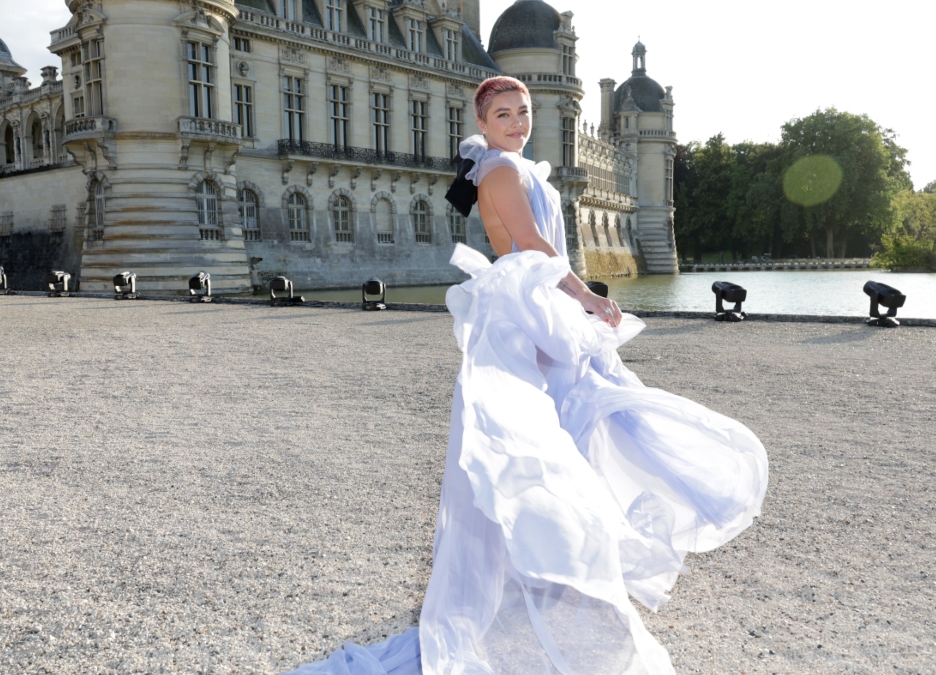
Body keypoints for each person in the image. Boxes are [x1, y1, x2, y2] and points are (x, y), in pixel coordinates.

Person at [288, 76, 768, 675]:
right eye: (505, 114)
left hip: (537, 310)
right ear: (483, 123)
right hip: (529, 313)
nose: (518, 123)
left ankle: (559, 564)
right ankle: (566, 559)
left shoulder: (512, 168)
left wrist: (576, 303)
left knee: (571, 426)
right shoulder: (503, 173)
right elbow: (535, 246)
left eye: (524, 112)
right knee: (554, 435)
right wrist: (588, 299)